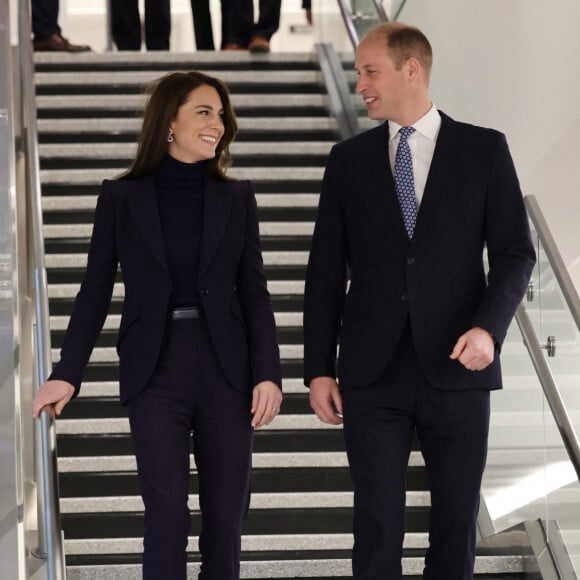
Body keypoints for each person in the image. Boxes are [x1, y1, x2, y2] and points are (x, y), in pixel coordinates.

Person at [303, 22, 535, 580]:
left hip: (458, 365)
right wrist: (317, 369)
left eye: (369, 71)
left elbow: (514, 253)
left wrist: (489, 329)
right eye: (358, 74)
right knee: (376, 523)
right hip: (370, 372)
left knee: (456, 524)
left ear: (412, 69)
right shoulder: (348, 161)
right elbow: (325, 274)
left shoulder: (484, 149)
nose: (360, 84)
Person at [33, 70, 283, 580]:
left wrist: (268, 373)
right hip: (155, 372)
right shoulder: (121, 198)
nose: (219, 124)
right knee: (166, 514)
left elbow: (254, 291)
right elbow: (94, 291)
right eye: (204, 112)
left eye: (222, 114)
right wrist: (68, 370)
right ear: (168, 120)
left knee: (225, 521)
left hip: (226, 373)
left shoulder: (237, 197)